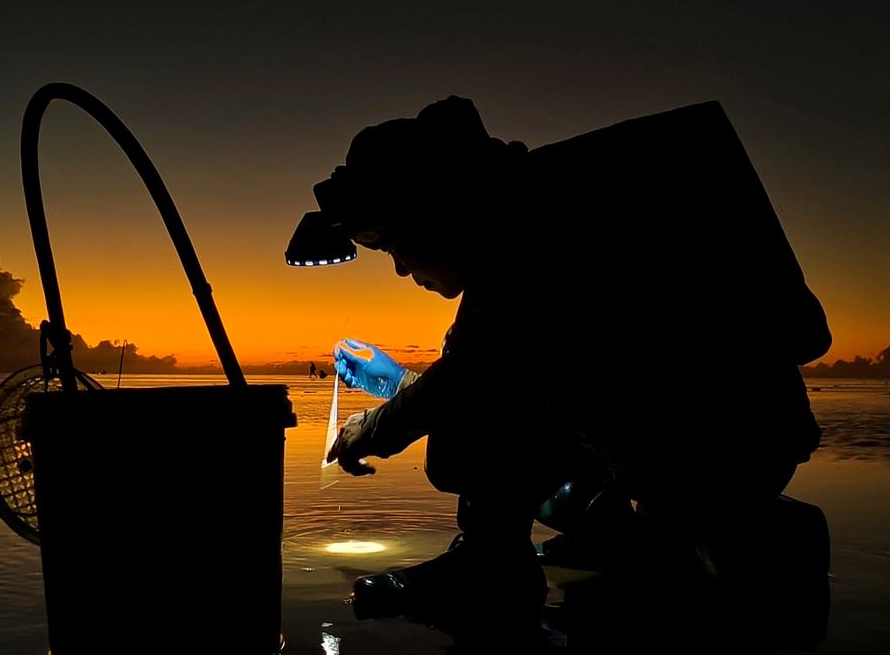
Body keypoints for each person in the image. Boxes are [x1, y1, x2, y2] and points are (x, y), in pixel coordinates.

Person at [296, 95, 830, 620]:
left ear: (435, 209)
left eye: (390, 244)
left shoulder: (527, 234)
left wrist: (371, 429)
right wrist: (396, 389)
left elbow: (471, 380)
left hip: (714, 448)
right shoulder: (541, 211)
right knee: (495, 422)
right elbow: (490, 371)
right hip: (738, 441)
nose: (398, 269)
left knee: (463, 443)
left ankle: (495, 563)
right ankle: (624, 534)